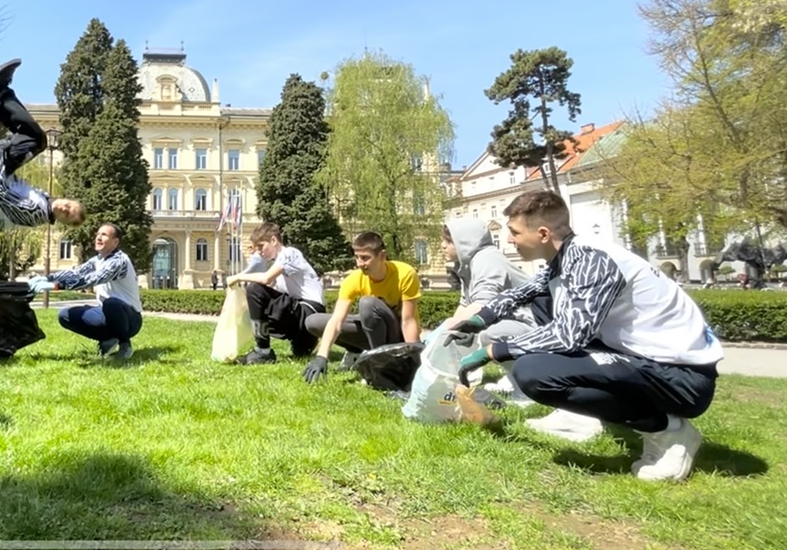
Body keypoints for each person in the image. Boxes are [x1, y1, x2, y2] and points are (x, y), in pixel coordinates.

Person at [450, 190, 723, 482]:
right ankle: (581, 412)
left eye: (514, 232)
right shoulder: (566, 257)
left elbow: (569, 336)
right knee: (544, 301)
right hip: (641, 360)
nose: (508, 240)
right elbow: (525, 292)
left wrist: (492, 352)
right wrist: (480, 319)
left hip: (681, 377)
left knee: (534, 373)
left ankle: (669, 432)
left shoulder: (591, 259)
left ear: (543, 234)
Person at [0, 58, 84, 229]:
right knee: (31, 138)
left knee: (37, 140)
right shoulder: (42, 200)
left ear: (63, 222)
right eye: (69, 206)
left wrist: (1, 153)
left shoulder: (35, 212)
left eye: (67, 214)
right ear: (68, 199)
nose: (64, 208)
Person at [439, 218, 542, 402]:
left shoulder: (486, 259)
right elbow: (465, 304)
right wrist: (444, 332)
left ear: (464, 242)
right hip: (520, 323)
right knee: (479, 332)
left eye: (448, 241)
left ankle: (527, 390)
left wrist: (444, 330)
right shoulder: (468, 264)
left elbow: (482, 306)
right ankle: (513, 378)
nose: (442, 246)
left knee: (490, 334)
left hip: (536, 326)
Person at [302, 232, 421, 383]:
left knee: (367, 304)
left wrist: (414, 359)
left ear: (382, 256)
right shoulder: (354, 279)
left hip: (398, 336)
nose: (359, 263)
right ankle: (356, 351)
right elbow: (337, 321)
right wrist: (321, 356)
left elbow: (408, 320)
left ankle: (381, 366)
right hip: (374, 330)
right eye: (357, 257)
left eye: (365, 258)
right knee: (314, 322)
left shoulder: (405, 274)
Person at [31, 224, 142, 360]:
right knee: (65, 315)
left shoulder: (119, 261)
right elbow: (76, 272)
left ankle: (125, 346)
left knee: (111, 304)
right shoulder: (97, 260)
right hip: (107, 313)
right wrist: (47, 278)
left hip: (130, 318)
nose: (99, 238)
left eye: (104, 235)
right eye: (98, 234)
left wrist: (56, 286)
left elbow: (92, 279)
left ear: (115, 242)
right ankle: (108, 339)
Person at [225, 223, 326, 365]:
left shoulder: (289, 253)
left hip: (310, 311)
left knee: (254, 289)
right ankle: (300, 344)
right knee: (251, 312)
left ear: (273, 240)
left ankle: (263, 352)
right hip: (304, 318)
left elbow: (265, 279)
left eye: (261, 246)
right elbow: (266, 295)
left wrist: (237, 277)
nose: (259, 252)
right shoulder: (278, 265)